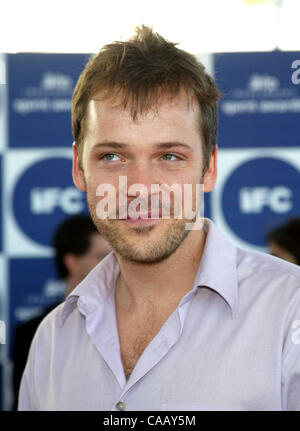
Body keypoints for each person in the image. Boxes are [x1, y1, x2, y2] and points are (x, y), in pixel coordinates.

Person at [18, 26, 300, 411]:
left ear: (209, 168)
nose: (139, 187)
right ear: (79, 169)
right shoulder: (52, 341)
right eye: (112, 157)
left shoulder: (290, 313)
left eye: (169, 157)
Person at [12, 215, 111, 410]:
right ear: (72, 262)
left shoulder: (129, 321)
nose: (114, 265)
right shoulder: (34, 331)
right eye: (104, 257)